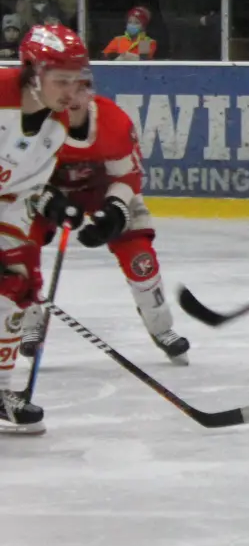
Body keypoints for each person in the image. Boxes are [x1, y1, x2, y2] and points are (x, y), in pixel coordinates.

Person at [24, 90, 190, 366]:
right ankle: (28, 323)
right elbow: (15, 177)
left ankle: (162, 328)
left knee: (141, 260)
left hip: (104, 190)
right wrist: (48, 200)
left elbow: (127, 176)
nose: (72, 98)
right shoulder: (29, 121)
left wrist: (114, 210)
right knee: (18, 249)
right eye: (65, 86)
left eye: (79, 87)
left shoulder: (113, 121)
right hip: (44, 190)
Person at [0, 24, 92, 433]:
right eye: (61, 80)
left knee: (17, 281)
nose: (71, 92)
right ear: (33, 72)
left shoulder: (56, 125)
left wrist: (49, 199)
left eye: (77, 80)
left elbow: (21, 190)